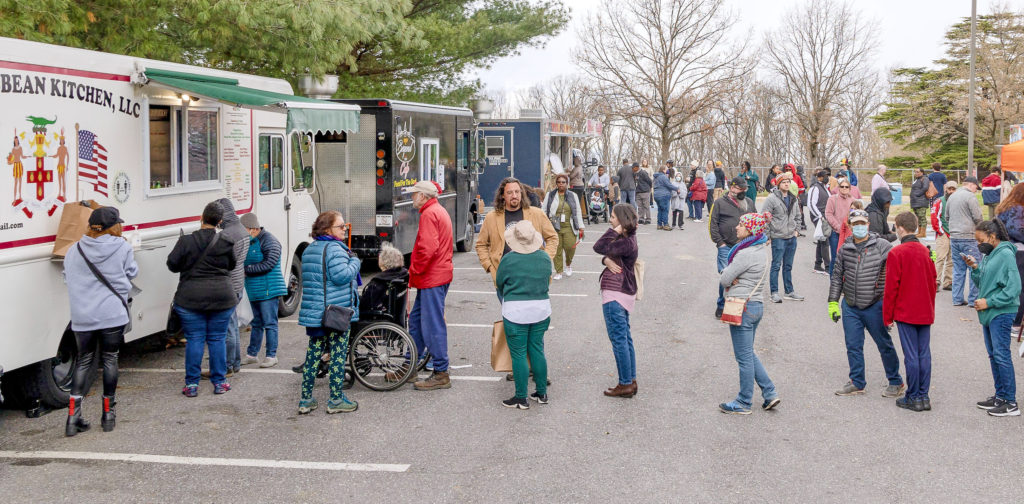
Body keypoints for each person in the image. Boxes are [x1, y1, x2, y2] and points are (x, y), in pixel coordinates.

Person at [62, 206, 138, 435]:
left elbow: (66, 277)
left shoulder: (74, 249)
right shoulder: (123, 247)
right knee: (109, 360)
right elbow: (132, 272)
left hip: (83, 315)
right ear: (114, 226)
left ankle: (72, 419)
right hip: (112, 313)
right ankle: (108, 415)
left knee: (83, 361)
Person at [828, 209, 905, 398]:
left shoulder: (882, 246)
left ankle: (895, 381)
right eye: (856, 224)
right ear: (849, 226)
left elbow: (901, 263)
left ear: (868, 225)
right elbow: (837, 276)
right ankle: (857, 381)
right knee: (853, 345)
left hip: (875, 304)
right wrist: (832, 302)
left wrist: (925, 256)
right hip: (851, 305)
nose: (859, 227)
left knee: (884, 344)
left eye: (862, 223)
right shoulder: (845, 248)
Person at [167, 202, 238, 398]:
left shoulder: (186, 241)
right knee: (217, 338)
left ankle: (191, 384)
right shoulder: (226, 241)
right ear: (220, 221)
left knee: (195, 339)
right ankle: (220, 381)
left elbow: (172, 265)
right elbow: (231, 265)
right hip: (222, 297)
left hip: (190, 298)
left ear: (201, 217)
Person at [297, 210, 361, 414]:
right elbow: (341, 276)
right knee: (338, 356)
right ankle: (335, 400)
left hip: (314, 313)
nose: (344, 229)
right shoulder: (335, 249)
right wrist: (355, 261)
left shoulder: (309, 249)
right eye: (341, 226)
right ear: (327, 229)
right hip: (336, 312)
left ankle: (306, 400)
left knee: (313, 356)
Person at [717, 212, 780, 415]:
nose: (737, 227)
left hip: (742, 307)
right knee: (748, 353)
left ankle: (744, 401)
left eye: (741, 225)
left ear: (750, 229)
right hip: (756, 306)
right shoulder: (761, 249)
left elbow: (725, 279)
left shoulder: (745, 253)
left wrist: (731, 276)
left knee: (743, 357)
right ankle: (769, 392)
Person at [402, 181, 455, 391]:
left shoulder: (429, 214)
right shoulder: (437, 211)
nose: (412, 198)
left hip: (432, 276)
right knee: (417, 321)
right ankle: (410, 365)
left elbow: (427, 249)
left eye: (414, 194)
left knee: (431, 324)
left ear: (423, 196)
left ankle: (441, 372)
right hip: (436, 275)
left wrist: (413, 270)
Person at [883, 212, 937, 412]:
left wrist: (887, 316)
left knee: (911, 355)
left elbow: (891, 289)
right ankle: (923, 395)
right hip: (924, 310)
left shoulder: (897, 253)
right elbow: (933, 280)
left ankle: (913, 395)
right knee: (924, 354)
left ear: (899, 227)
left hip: (906, 311)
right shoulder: (925, 251)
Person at [496, 220, 553, 409]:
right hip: (541, 308)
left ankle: (521, 397)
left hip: (515, 310)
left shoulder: (508, 260)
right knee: (537, 349)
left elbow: (500, 282)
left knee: (519, 354)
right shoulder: (545, 258)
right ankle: (541, 392)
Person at [968, 220, 1023, 417]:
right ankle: (1000, 396)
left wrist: (989, 302)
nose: (978, 245)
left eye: (980, 240)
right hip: (989, 312)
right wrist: (974, 268)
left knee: (1001, 355)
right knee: (994, 355)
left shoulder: (1006, 254)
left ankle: (1010, 402)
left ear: (992, 236)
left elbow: (1014, 288)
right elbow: (983, 280)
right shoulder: (990, 255)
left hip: (1001, 311)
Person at [477, 177, 558, 290]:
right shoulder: (491, 217)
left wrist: (546, 258)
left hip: (533, 274)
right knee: (509, 308)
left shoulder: (537, 214)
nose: (514, 196)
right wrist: (489, 267)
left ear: (522, 193)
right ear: (502, 195)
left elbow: (552, 237)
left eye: (517, 192)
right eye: (509, 192)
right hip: (505, 277)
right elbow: (481, 244)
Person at [594, 204, 639, 398]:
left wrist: (614, 230)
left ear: (621, 220)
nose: (610, 220)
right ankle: (631, 379)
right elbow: (606, 252)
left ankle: (625, 383)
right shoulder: (626, 239)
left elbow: (599, 246)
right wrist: (605, 260)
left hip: (615, 293)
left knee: (619, 339)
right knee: (625, 337)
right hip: (622, 291)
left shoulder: (625, 240)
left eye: (613, 217)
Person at [239, 213, 287, 368]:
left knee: (270, 323)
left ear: (252, 229)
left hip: (268, 290)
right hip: (254, 290)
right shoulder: (249, 241)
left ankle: (271, 356)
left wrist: (246, 269)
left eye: (243, 229)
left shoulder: (269, 241)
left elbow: (269, 264)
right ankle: (252, 354)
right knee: (257, 322)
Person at [709, 177, 754, 318]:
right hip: (726, 246)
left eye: (745, 189)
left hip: (745, 247)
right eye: (741, 189)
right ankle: (721, 305)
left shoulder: (749, 203)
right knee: (727, 277)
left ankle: (737, 307)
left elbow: (755, 221)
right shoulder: (719, 203)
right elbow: (712, 224)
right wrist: (720, 243)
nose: (743, 191)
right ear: (732, 188)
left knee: (742, 278)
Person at [215, 198, 249, 376]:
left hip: (228, 283)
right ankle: (236, 363)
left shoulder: (227, 234)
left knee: (228, 327)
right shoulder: (242, 229)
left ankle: (228, 365)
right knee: (233, 325)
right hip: (238, 283)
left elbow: (223, 261)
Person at [761, 172, 804, 303]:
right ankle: (774, 292)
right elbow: (765, 217)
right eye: (784, 182)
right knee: (776, 265)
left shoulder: (793, 198)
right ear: (779, 184)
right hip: (778, 237)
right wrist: (767, 236)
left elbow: (798, 216)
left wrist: (797, 230)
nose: (787, 184)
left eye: (788, 182)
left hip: (791, 236)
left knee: (788, 265)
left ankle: (789, 291)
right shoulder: (771, 198)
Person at [946, 176, 984, 307]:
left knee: (958, 269)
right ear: (971, 185)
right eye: (976, 188)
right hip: (968, 236)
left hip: (954, 237)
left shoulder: (952, 196)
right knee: (974, 267)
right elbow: (978, 217)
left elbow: (946, 216)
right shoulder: (970, 197)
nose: (976, 190)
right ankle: (973, 300)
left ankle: (957, 298)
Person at [994, 183, 1024, 339]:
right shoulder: (1017, 209)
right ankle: (1016, 323)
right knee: (1019, 288)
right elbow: (1017, 230)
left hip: (1005, 250)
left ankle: (1009, 321)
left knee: (1009, 286)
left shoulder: (1005, 207)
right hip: (1018, 251)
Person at [542, 173, 584, 280]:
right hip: (554, 226)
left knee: (570, 247)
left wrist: (581, 226)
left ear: (567, 183)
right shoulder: (550, 195)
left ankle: (568, 264)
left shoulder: (573, 196)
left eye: (563, 182)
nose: (561, 184)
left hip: (569, 226)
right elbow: (544, 211)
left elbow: (577, 211)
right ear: (556, 183)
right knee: (557, 249)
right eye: (559, 182)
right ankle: (559, 271)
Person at [824, 180, 856, 277]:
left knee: (848, 259)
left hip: (848, 234)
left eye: (846, 187)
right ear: (839, 188)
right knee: (835, 258)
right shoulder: (832, 199)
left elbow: (855, 214)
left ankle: (843, 283)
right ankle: (833, 282)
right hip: (835, 233)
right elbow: (828, 214)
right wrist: (838, 227)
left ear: (850, 188)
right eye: (842, 186)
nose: (844, 188)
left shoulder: (853, 200)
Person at [931, 182, 958, 291]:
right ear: (946, 189)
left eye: (953, 189)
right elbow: (934, 217)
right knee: (940, 258)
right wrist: (941, 231)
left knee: (952, 259)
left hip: (955, 233)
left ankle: (948, 281)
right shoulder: (940, 201)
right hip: (943, 233)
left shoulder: (957, 201)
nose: (951, 191)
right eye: (949, 189)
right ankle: (936, 281)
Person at [807, 169, 832, 274]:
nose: (827, 177)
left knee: (821, 240)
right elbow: (811, 204)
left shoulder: (825, 188)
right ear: (820, 177)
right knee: (825, 241)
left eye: (828, 175)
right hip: (820, 217)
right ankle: (828, 267)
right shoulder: (815, 188)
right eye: (825, 175)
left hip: (825, 217)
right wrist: (819, 216)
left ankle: (818, 264)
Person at [653, 165, 681, 231]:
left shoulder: (656, 177)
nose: (667, 170)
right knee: (665, 210)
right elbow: (669, 185)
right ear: (663, 170)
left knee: (660, 210)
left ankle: (659, 224)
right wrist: (677, 189)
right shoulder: (663, 177)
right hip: (664, 195)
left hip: (656, 195)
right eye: (666, 169)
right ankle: (665, 225)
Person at [909, 167, 930, 238]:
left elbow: (925, 187)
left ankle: (923, 233)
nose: (916, 173)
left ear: (922, 172)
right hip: (915, 202)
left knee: (922, 217)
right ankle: (919, 232)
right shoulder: (916, 180)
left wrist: (917, 194)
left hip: (921, 201)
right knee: (918, 217)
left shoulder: (925, 179)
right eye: (915, 172)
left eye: (918, 172)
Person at [568, 154, 587, 219]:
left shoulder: (577, 168)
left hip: (576, 186)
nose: (573, 162)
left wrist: (568, 173)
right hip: (580, 186)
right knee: (577, 201)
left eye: (574, 160)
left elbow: (571, 176)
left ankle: (575, 216)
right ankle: (576, 216)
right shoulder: (580, 167)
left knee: (574, 201)